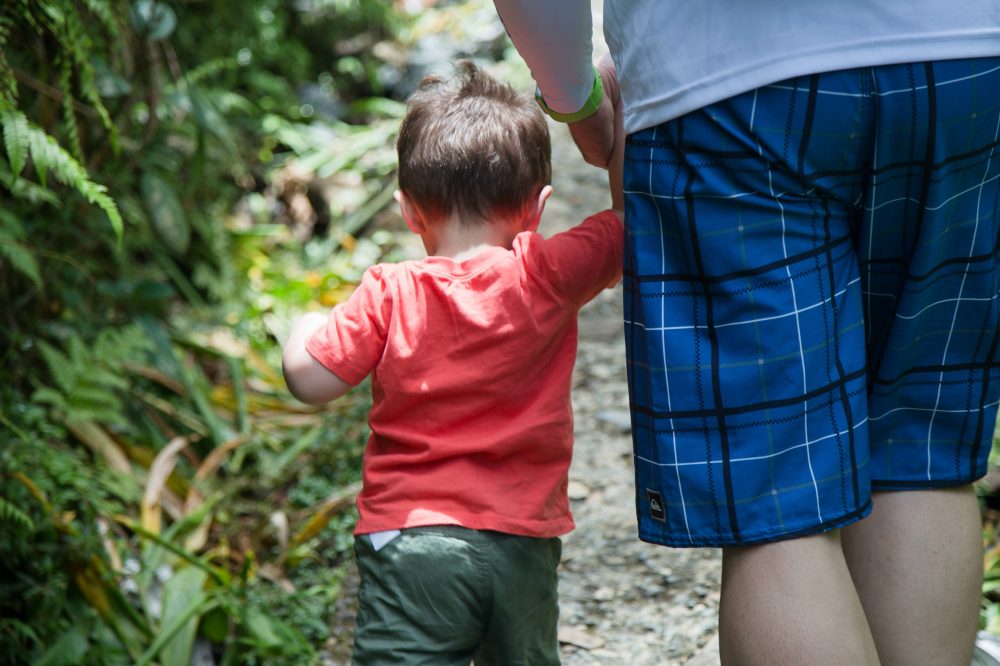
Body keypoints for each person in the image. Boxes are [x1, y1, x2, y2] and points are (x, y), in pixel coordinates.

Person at [493, 1, 1000, 664]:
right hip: (966, 59)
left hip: (726, 87)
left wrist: (574, 95)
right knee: (917, 445)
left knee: (774, 491)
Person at [281, 61, 623, 665]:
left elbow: (310, 380)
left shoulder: (390, 292)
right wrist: (618, 120)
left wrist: (304, 327)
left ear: (410, 212)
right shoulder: (547, 274)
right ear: (538, 207)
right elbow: (634, 222)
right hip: (523, 538)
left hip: (410, 539)